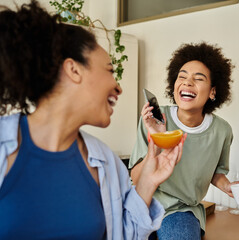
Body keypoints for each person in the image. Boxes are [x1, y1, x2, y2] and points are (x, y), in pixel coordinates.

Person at [0, 1, 185, 239]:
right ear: (74, 70)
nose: (118, 87)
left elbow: (124, 234)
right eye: (109, 70)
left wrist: (148, 182)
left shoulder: (106, 163)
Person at [129, 42, 239, 239]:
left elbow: (215, 172)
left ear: (213, 91)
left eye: (198, 78)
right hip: (143, 202)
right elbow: (136, 179)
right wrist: (156, 141)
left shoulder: (222, 131)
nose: (187, 83)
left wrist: (228, 186)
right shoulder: (155, 118)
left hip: (181, 210)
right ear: (174, 85)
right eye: (182, 77)